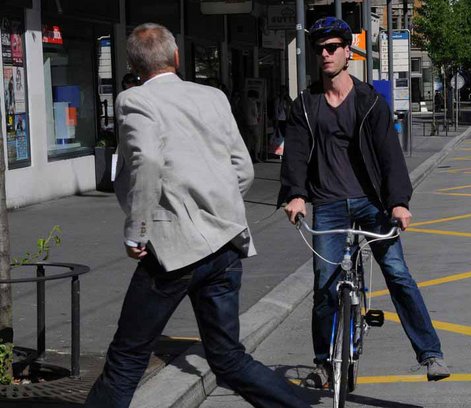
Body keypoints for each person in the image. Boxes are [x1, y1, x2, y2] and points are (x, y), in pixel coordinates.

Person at [85, 23, 310, 408]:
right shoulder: (213, 97)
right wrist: (216, 208)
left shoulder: (134, 100)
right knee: (227, 358)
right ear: (176, 58)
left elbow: (147, 160)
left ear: (134, 65)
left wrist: (137, 231)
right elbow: (244, 169)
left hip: (174, 250)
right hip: (225, 243)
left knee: (127, 358)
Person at [278, 17, 450, 389]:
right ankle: (324, 362)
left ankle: (430, 354)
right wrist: (295, 194)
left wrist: (399, 203)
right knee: (324, 285)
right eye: (319, 49)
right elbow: (294, 154)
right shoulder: (305, 106)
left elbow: (390, 157)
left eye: (332, 48)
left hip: (371, 204)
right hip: (327, 204)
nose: (325, 54)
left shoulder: (369, 101)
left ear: (347, 53)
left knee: (398, 274)